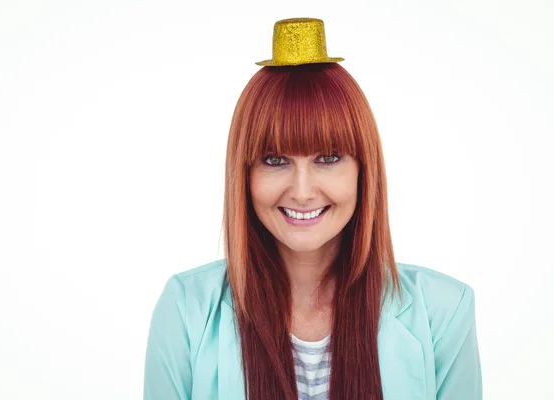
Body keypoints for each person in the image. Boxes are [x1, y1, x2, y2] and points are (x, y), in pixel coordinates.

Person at [143, 17, 482, 400]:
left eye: (329, 157)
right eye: (274, 160)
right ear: (245, 174)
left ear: (363, 171)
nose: (302, 192)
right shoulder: (185, 311)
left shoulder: (445, 313)